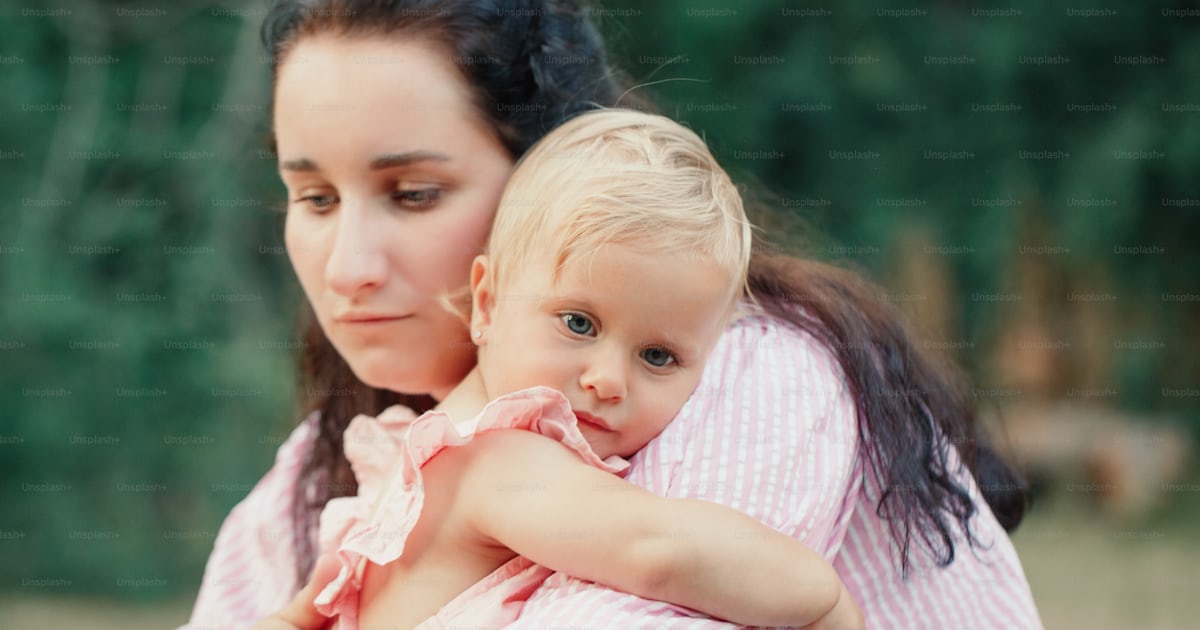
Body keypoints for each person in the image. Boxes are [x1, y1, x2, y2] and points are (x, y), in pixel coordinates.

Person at [186, 1, 1042, 628]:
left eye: (413, 193)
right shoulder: (346, 461)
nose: (349, 268)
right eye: (314, 197)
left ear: (554, 172)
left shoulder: (749, 371)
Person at [267, 108, 858, 629]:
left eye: (658, 356)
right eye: (578, 323)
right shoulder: (495, 458)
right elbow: (657, 551)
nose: (609, 379)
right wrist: (823, 599)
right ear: (488, 302)